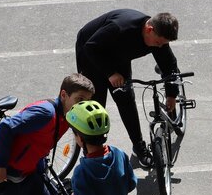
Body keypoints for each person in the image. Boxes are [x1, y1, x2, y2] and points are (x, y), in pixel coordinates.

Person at [75, 10, 181, 167]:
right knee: (96, 107)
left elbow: (169, 65)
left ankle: (139, 147)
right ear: (149, 29)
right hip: (92, 52)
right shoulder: (120, 28)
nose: (160, 47)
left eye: (164, 44)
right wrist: (110, 73)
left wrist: (172, 94)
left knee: (126, 100)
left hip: (119, 55)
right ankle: (91, 153)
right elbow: (91, 47)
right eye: (159, 43)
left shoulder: (158, 38)